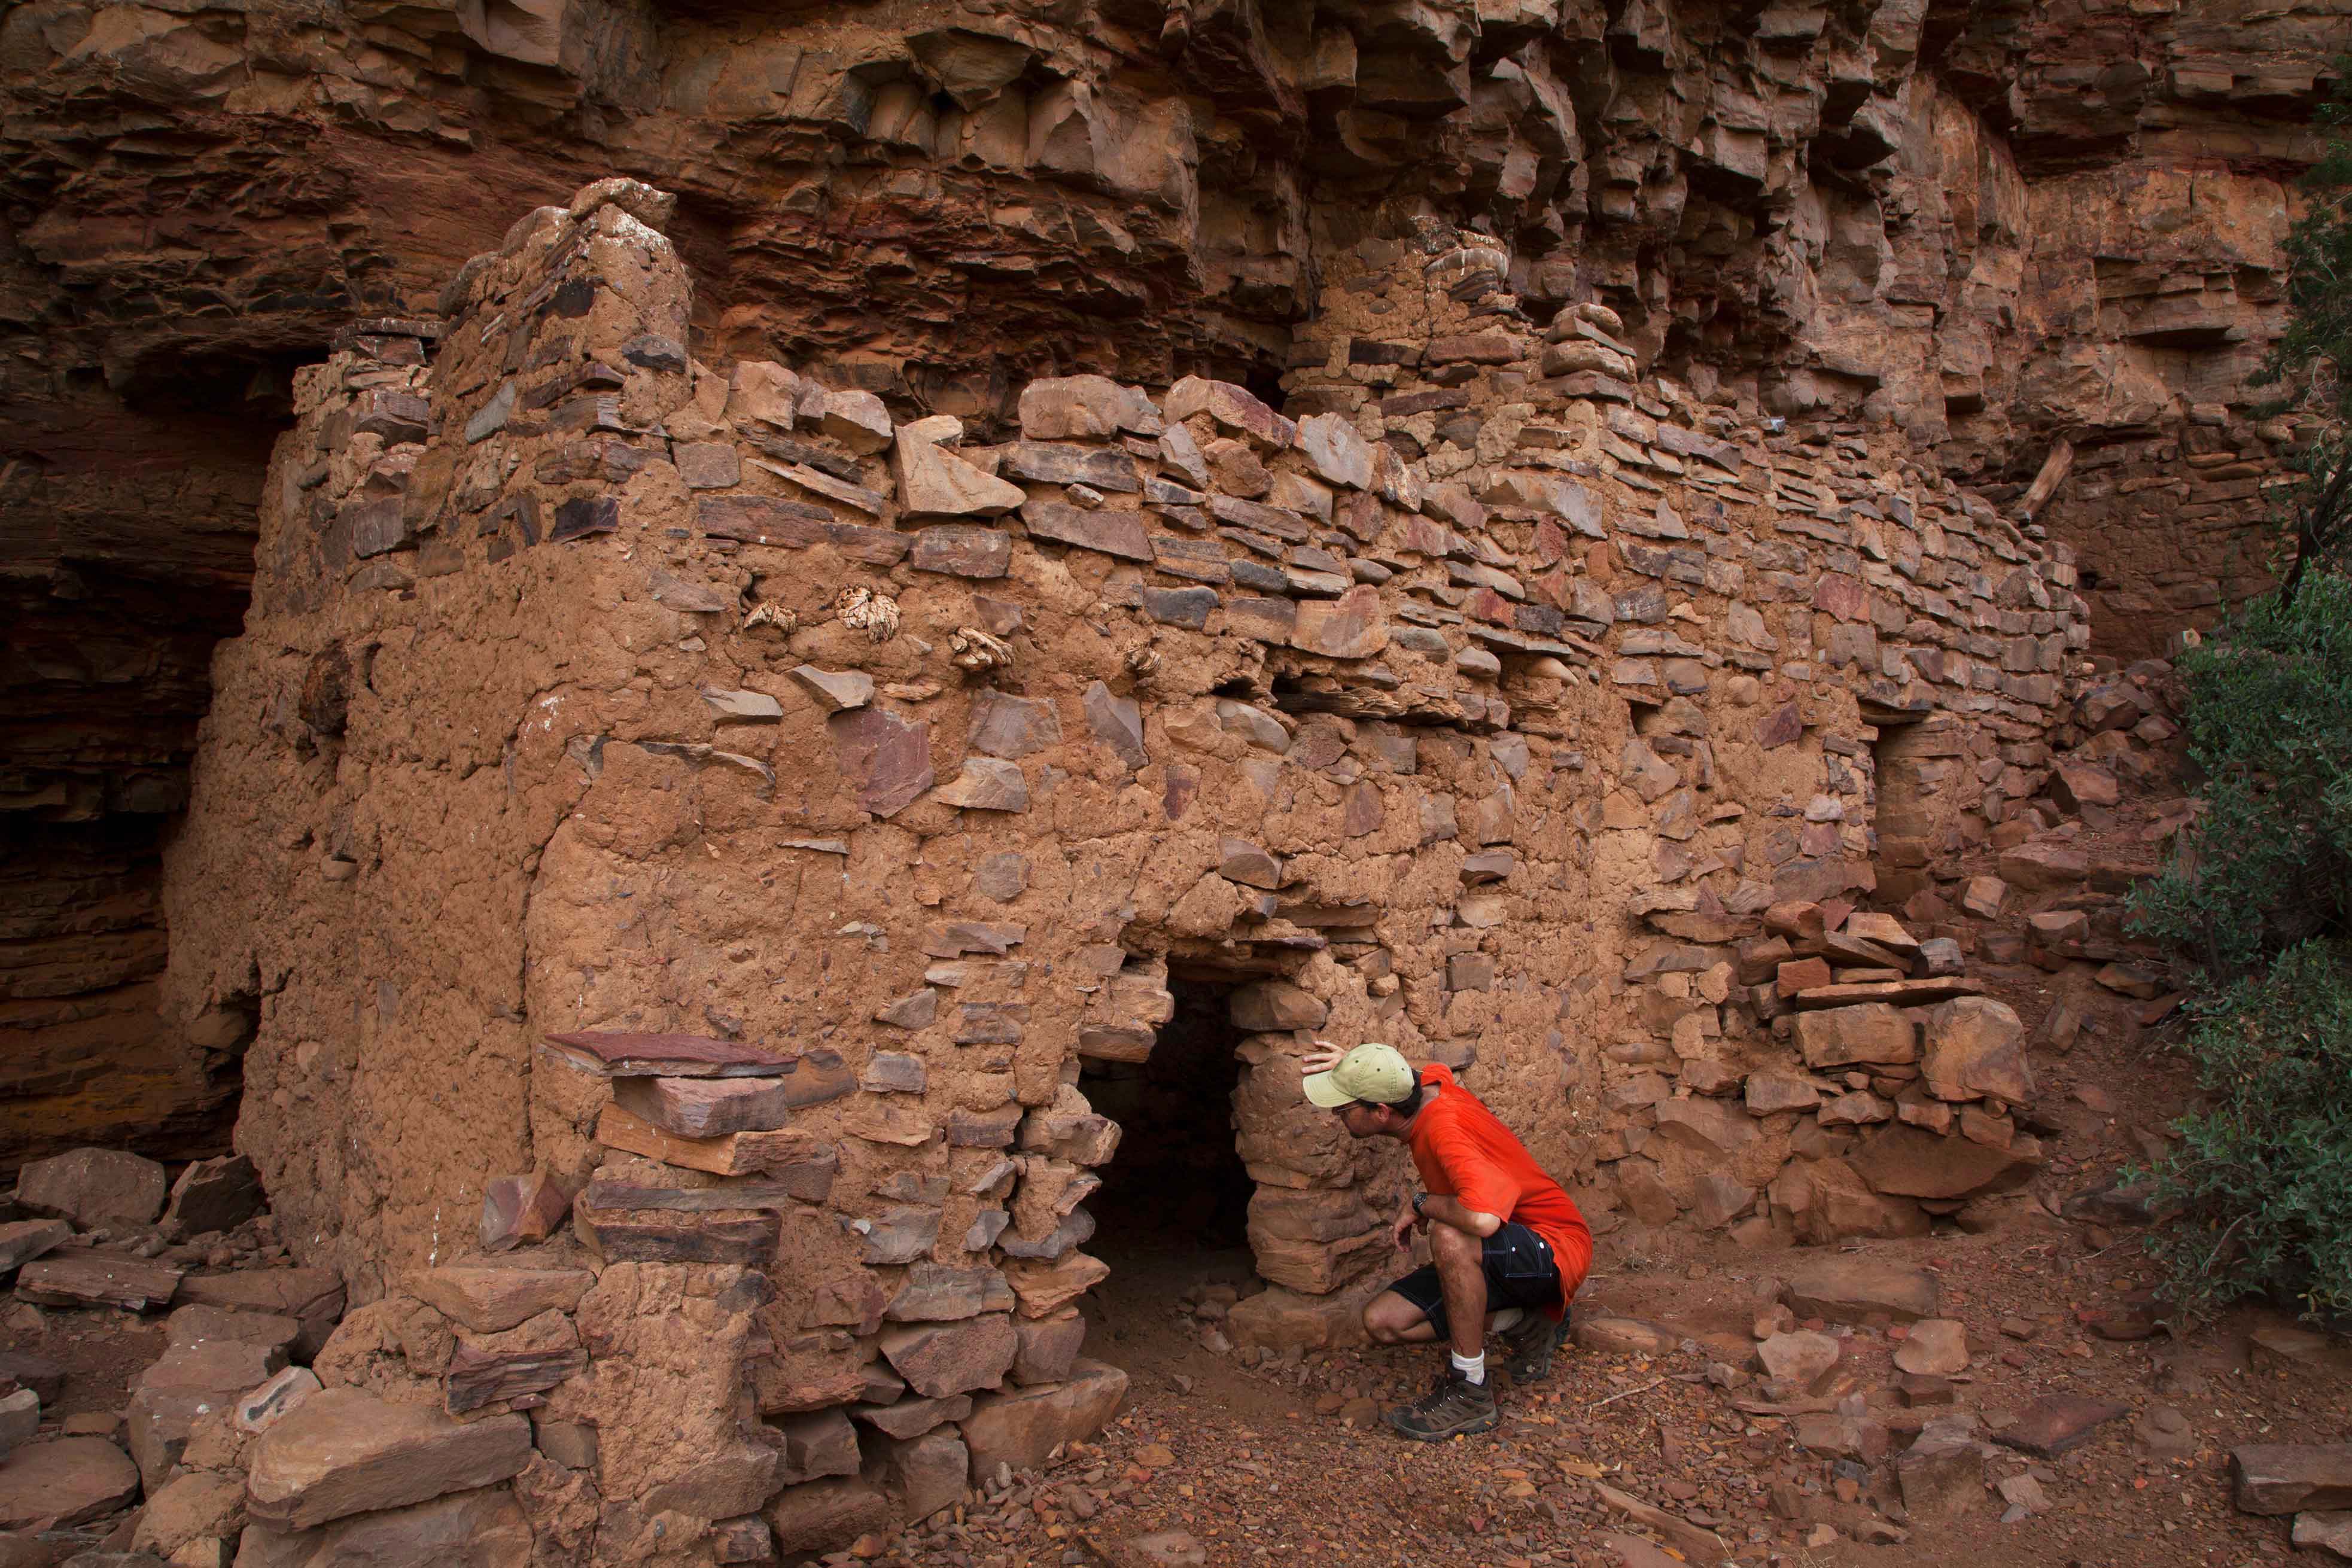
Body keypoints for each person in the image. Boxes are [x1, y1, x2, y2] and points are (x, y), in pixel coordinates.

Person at [1301, 1039, 1592, 1441]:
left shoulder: (1444, 1127)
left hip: (1552, 1247)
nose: (1337, 1115)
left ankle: (1469, 1389)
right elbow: (1407, 1071)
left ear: (1381, 1112)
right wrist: (1353, 1070)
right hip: (1504, 1254)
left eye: (1343, 1107)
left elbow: (1483, 1218)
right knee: (1383, 1322)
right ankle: (1529, 1321)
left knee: (1450, 1235)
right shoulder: (1427, 1085)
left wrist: (1421, 1203)